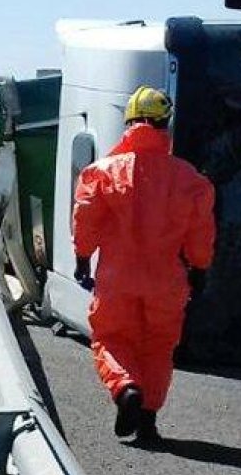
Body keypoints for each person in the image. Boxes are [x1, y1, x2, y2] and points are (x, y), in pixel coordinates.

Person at [73, 86, 215, 444]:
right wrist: (199, 268)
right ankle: (148, 423)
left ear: (129, 123)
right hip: (167, 281)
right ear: (166, 124)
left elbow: (86, 220)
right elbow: (200, 233)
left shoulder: (101, 173)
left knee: (110, 338)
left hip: (117, 280)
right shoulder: (191, 179)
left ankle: (125, 389)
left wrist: (82, 258)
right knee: (158, 347)